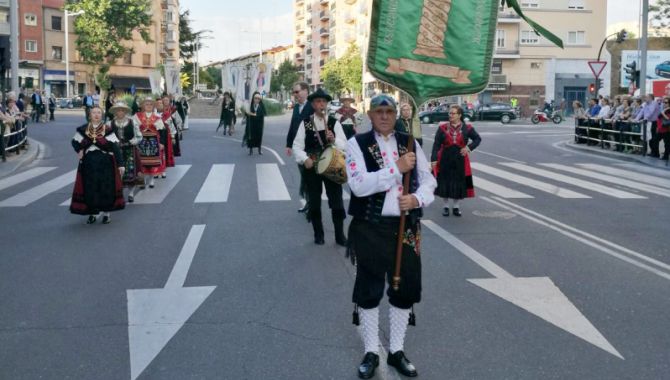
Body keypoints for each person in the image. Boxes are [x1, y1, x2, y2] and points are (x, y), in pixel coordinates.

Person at [345, 94, 436, 379]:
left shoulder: (410, 143)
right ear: (370, 115)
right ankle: (371, 351)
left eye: (389, 111)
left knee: (403, 289)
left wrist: (417, 200)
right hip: (370, 227)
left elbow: (429, 179)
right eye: (379, 111)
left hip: (405, 227)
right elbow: (359, 186)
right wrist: (395, 170)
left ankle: (396, 350)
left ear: (396, 114)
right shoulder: (356, 144)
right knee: (370, 289)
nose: (384, 116)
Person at [292, 88, 347, 245]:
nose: (321, 104)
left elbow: (345, 146)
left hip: (332, 167)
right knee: (314, 203)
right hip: (313, 167)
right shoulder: (306, 123)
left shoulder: (333, 122)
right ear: (313, 104)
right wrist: (304, 159)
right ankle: (318, 234)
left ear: (327, 104)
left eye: (323, 101)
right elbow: (297, 146)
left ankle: (339, 235)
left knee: (337, 202)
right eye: (318, 101)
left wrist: (334, 139)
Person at [69, 105, 125, 224]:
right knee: (90, 188)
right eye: (94, 112)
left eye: (99, 113)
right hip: (89, 163)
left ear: (102, 115)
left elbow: (115, 148)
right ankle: (92, 214)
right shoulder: (83, 130)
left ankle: (106, 214)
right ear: (90, 115)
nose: (96, 115)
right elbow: (74, 142)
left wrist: (120, 164)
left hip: (105, 162)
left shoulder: (108, 130)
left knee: (105, 188)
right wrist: (79, 150)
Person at [431, 104, 481, 217]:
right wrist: (433, 159)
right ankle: (445, 206)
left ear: (459, 115)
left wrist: (468, 148)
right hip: (445, 157)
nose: (450, 115)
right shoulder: (442, 128)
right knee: (445, 181)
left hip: (460, 159)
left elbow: (478, 139)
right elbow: (436, 144)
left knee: (458, 181)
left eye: (453, 113)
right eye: (450, 113)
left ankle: (456, 207)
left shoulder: (467, 128)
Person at [286, 81, 315, 215]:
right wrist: (288, 144)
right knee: (304, 176)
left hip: (309, 148)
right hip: (298, 148)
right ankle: (309, 202)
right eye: (294, 92)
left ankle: (311, 205)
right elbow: (293, 126)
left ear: (305, 91)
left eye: (297, 92)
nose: (295, 94)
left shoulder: (312, 106)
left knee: (308, 177)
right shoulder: (297, 107)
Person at [110, 101, 143, 202]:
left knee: (131, 171)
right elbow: (107, 137)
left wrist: (132, 142)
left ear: (125, 112)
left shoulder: (132, 122)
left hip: (130, 150)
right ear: (115, 112)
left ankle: (131, 193)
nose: (120, 112)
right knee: (117, 172)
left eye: (122, 110)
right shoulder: (110, 123)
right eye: (118, 110)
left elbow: (139, 136)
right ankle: (118, 192)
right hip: (116, 151)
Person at [132, 97, 166, 188]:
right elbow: (133, 129)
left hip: (153, 142)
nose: (149, 106)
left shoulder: (157, 117)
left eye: (151, 104)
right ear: (143, 105)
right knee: (141, 162)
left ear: (153, 106)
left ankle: (151, 179)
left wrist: (162, 143)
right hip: (141, 141)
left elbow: (162, 131)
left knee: (152, 162)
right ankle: (142, 180)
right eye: (147, 104)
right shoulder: (137, 116)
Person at [155, 99, 177, 171]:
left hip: (166, 135)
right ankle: (157, 167)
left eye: (161, 104)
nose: (159, 105)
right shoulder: (153, 115)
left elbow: (171, 126)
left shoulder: (166, 114)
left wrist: (173, 137)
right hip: (155, 135)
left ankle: (164, 167)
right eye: (158, 104)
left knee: (165, 151)